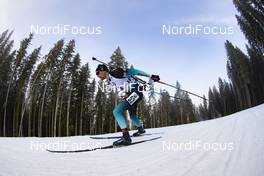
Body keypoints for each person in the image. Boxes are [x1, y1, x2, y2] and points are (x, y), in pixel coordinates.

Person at [95, 64, 160, 146]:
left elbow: (134, 71)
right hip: (132, 94)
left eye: (97, 72)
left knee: (116, 111)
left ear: (103, 71)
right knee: (132, 115)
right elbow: (121, 86)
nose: (97, 75)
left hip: (135, 92)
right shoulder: (110, 81)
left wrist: (150, 75)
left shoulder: (116, 72)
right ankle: (141, 130)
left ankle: (126, 137)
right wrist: (125, 94)